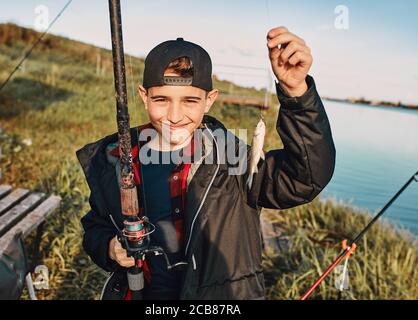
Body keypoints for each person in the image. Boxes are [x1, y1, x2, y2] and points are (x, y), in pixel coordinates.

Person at [76, 26, 336, 300]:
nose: (174, 116)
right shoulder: (116, 161)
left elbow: (304, 179)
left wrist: (297, 93)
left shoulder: (233, 159)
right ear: (144, 96)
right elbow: (96, 227)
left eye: (190, 100)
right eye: (162, 99)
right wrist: (108, 247)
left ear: (209, 101)